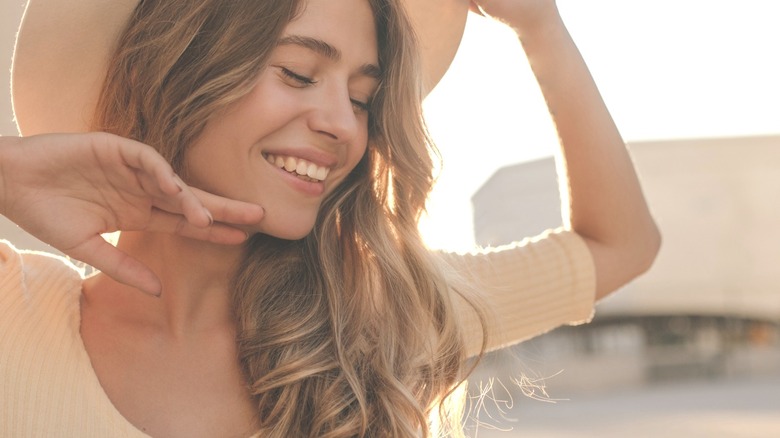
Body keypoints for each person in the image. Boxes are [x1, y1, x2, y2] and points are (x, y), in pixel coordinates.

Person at [0, 0, 661, 436]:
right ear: (177, 71)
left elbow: (621, 244)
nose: (342, 124)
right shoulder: (14, 308)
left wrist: (539, 25)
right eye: (296, 72)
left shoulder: (380, 315)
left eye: (363, 97)